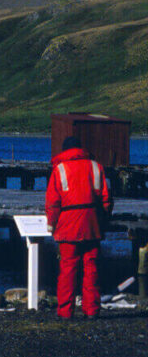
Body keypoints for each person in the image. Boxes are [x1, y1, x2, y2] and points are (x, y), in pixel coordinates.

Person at [45, 136, 113, 318]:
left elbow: (53, 203)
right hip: (92, 225)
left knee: (67, 270)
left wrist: (51, 225)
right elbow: (106, 200)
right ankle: (92, 311)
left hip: (68, 226)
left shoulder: (59, 169)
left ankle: (65, 312)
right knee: (91, 269)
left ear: (64, 150)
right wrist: (103, 221)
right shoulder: (95, 167)